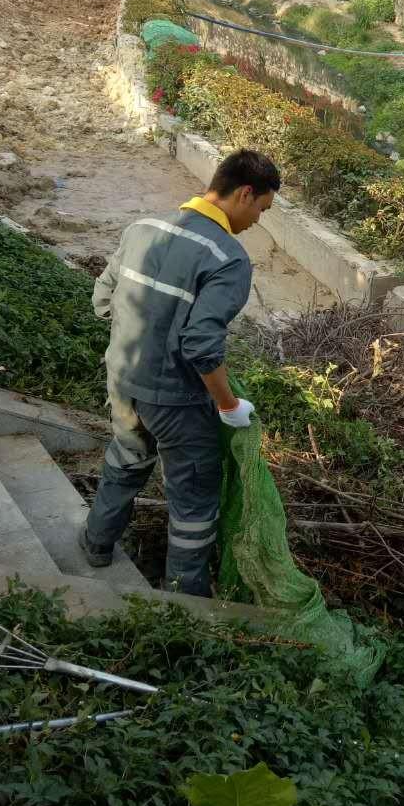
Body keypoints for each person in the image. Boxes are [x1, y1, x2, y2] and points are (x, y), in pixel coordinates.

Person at [78, 149, 282, 596]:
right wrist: (229, 406)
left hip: (122, 382)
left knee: (126, 459)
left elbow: (102, 299)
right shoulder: (228, 258)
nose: (257, 221)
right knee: (193, 499)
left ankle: (96, 543)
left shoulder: (143, 228)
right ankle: (184, 599)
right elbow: (201, 345)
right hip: (176, 400)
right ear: (245, 193)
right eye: (262, 209)